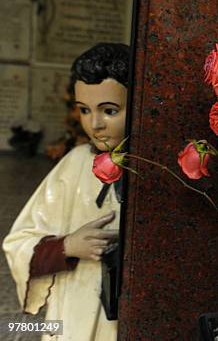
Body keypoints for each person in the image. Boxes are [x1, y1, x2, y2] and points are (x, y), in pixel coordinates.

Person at [3, 43, 129, 340]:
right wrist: (67, 246)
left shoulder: (154, 168)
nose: (95, 124)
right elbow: (18, 242)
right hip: (74, 303)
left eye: (109, 110)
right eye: (84, 110)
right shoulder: (74, 165)